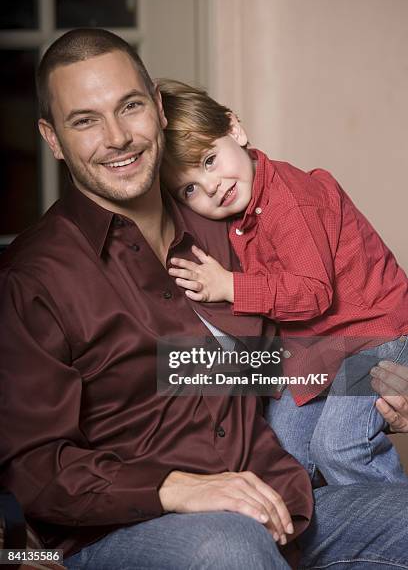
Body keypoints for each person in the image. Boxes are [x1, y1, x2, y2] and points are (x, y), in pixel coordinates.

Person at [0, 29, 408, 570]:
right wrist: (174, 488)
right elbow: (34, 467)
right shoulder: (33, 279)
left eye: (130, 106)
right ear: (52, 138)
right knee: (227, 545)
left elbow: (270, 368)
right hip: (135, 531)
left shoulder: (226, 231)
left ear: (159, 110)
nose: (117, 136)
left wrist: (379, 387)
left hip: (277, 505)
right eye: (85, 120)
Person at [160, 79, 408, 486]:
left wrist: (229, 287)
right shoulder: (238, 215)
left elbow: (312, 292)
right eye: (190, 188)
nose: (210, 186)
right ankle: (325, 542)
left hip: (376, 334)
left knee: (339, 447)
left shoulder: (289, 200)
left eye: (208, 160)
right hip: (320, 353)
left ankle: (391, 536)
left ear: (234, 129)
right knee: (282, 458)